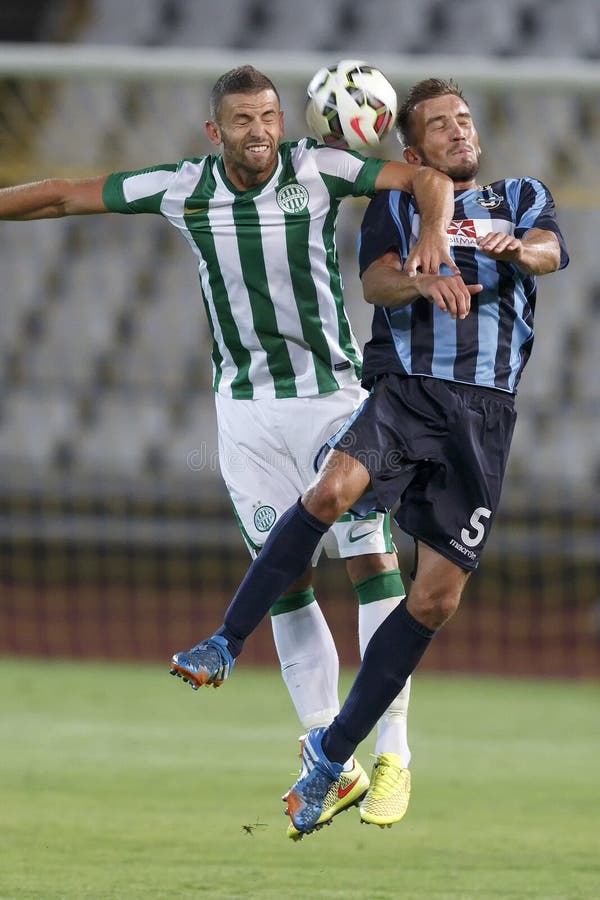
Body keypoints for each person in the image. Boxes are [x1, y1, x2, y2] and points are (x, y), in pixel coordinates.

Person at [0, 67, 460, 835]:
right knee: (283, 581)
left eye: (270, 117)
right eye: (243, 120)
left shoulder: (322, 169)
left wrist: (434, 231)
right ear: (216, 133)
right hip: (244, 415)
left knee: (372, 562)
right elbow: (63, 193)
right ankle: (329, 756)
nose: (259, 131)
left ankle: (394, 753)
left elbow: (424, 178)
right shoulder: (184, 187)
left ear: (286, 122)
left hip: (334, 402)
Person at [169, 77, 569, 837]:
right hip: (405, 391)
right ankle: (225, 640)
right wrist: (424, 275)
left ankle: (331, 759)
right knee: (331, 493)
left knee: (434, 601)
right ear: (413, 148)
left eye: (465, 120)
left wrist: (520, 248)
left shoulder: (519, 195)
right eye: (441, 127)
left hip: (483, 420)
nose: (459, 132)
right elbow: (378, 282)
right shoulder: (396, 201)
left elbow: (551, 250)